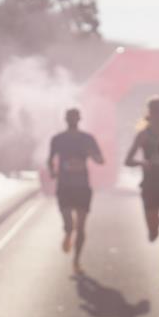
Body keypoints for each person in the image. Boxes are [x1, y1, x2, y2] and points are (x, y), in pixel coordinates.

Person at [124, 96, 159, 290]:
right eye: (155, 112)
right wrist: (141, 163)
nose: (158, 115)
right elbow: (127, 160)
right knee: (154, 233)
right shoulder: (143, 135)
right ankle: (155, 225)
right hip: (150, 186)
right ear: (150, 114)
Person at [47, 108, 104, 275]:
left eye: (75, 117)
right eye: (70, 117)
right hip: (64, 186)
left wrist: (91, 154)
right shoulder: (58, 139)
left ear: (79, 119)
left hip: (82, 187)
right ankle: (67, 231)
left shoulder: (87, 139)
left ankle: (76, 260)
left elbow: (100, 160)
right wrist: (52, 171)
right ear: (66, 119)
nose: (72, 120)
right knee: (70, 224)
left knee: (81, 226)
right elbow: (50, 159)